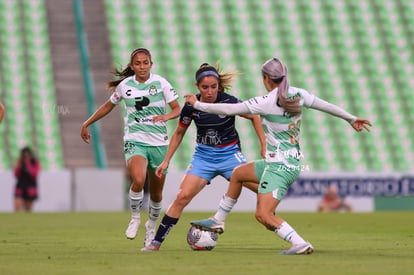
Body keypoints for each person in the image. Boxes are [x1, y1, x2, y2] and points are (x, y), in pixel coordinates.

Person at [186, 57, 371, 255]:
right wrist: (351, 119)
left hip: (280, 166)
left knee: (263, 215)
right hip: (284, 161)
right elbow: (326, 106)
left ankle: (299, 243)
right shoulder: (298, 94)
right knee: (238, 173)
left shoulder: (265, 102)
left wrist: (197, 105)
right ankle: (218, 220)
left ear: (266, 79)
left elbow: (230, 109)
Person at [141, 63, 266, 251]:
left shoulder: (230, 102)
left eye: (213, 87)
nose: (209, 91)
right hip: (203, 158)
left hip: (230, 156)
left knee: (264, 190)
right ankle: (156, 243)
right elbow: (178, 134)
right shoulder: (191, 106)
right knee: (182, 196)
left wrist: (263, 145)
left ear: (219, 86)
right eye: (205, 87)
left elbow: (254, 116)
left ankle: (277, 225)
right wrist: (166, 160)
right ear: (197, 87)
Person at [80, 48, 180, 247]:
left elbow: (177, 108)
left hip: (159, 143)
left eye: (145, 62)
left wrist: (167, 116)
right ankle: (135, 218)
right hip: (135, 139)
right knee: (138, 179)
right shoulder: (125, 86)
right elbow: (108, 106)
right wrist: (87, 123)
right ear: (132, 66)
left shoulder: (161, 83)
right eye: (138, 63)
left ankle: (151, 228)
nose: (142, 66)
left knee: (157, 194)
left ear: (151, 64)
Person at [14, 146, 41, 212]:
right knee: (17, 204)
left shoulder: (34, 163)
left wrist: (28, 163)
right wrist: (19, 164)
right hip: (20, 184)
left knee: (28, 207)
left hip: (30, 185)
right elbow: (16, 174)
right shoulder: (20, 163)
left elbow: (34, 174)